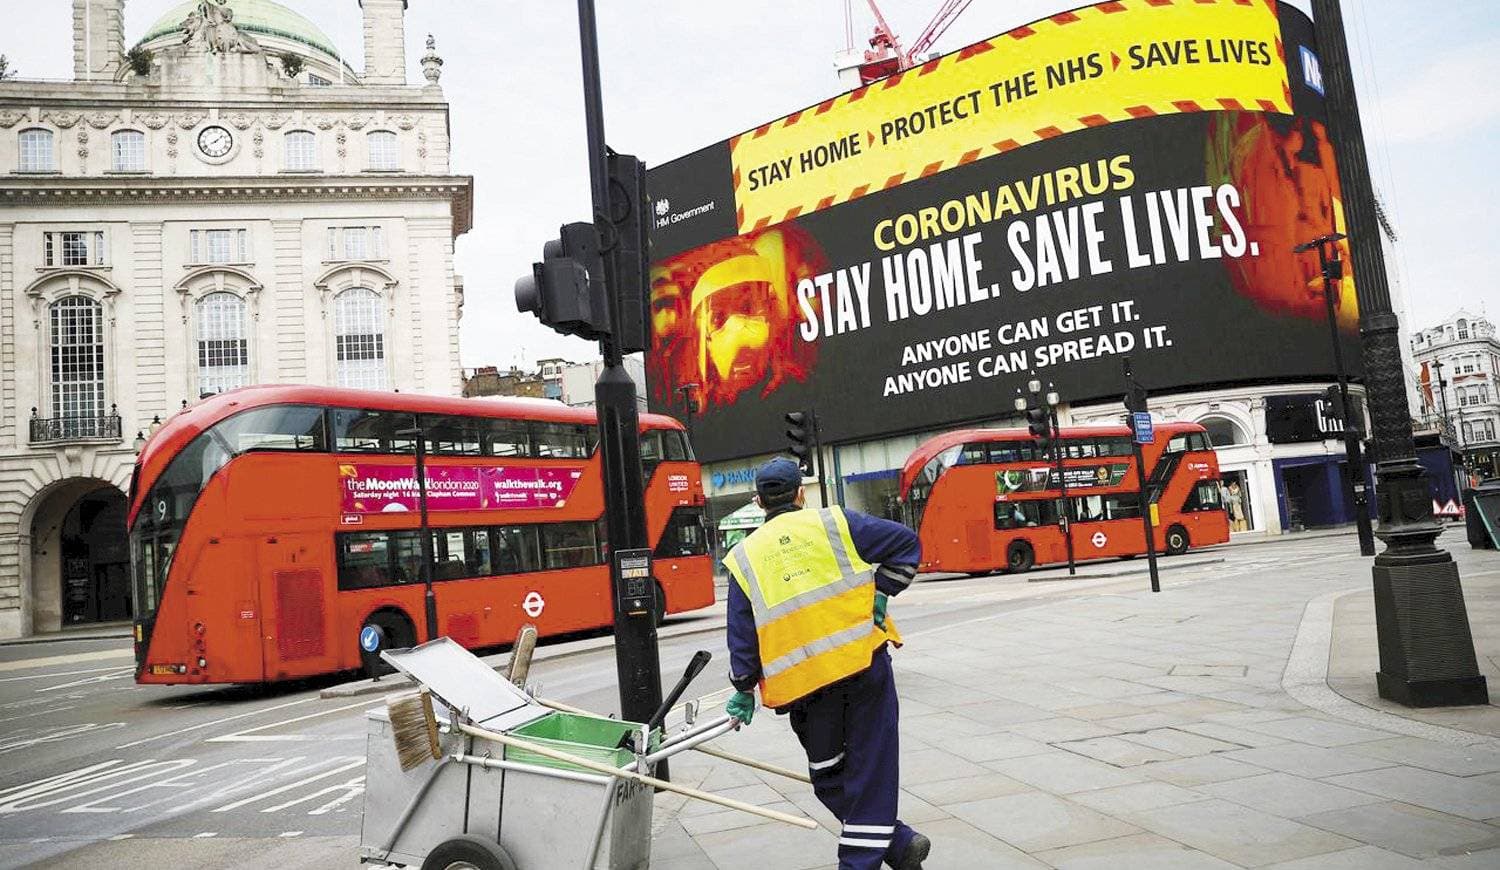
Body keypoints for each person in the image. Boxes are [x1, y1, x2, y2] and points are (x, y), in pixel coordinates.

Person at [722, 456, 930, 870]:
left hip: (806, 689)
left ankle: (861, 861)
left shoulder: (743, 557)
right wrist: (883, 590)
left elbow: (741, 634)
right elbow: (907, 544)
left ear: (759, 502)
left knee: (828, 773)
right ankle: (899, 843)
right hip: (863, 666)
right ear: (801, 494)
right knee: (864, 772)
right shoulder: (837, 524)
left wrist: (743, 686)